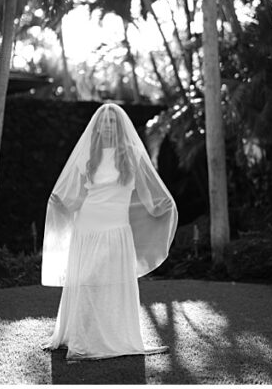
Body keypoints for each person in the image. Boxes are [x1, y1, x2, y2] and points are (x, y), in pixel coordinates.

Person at [42, 103, 177, 360]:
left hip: (117, 230)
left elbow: (148, 197)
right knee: (86, 281)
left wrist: (162, 209)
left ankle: (110, 336)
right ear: (97, 127)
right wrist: (62, 203)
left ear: (119, 126)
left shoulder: (133, 155)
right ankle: (79, 339)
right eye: (103, 122)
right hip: (87, 227)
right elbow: (77, 198)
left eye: (112, 121)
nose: (107, 126)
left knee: (110, 283)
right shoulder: (88, 156)